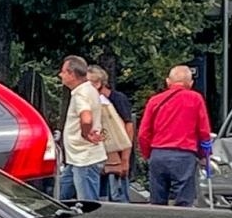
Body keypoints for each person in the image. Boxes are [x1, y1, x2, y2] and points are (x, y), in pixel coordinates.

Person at [136, 64, 214, 206]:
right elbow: (204, 131)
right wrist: (204, 155)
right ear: (190, 83)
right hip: (184, 156)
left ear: (168, 81)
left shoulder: (155, 101)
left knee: (157, 202)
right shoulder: (195, 99)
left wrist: (149, 154)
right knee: (184, 201)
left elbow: (143, 133)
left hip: (158, 154)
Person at [58, 55, 106, 201]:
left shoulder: (80, 94)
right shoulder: (90, 89)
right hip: (77, 157)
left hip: (84, 157)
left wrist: (86, 135)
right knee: (63, 191)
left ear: (72, 74)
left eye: (63, 72)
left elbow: (86, 118)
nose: (60, 75)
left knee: (87, 201)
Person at [88, 66, 134, 203]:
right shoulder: (95, 100)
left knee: (118, 194)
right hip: (101, 155)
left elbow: (128, 126)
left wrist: (125, 158)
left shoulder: (117, 99)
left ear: (98, 83)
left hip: (117, 155)